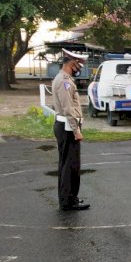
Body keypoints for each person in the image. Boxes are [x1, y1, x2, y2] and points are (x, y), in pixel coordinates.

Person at [52, 49, 90, 211]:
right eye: (78, 64)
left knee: (68, 163)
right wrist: (76, 130)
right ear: (71, 63)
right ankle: (68, 201)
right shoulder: (64, 81)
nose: (79, 68)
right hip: (68, 128)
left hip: (66, 126)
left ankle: (69, 198)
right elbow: (68, 108)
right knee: (70, 165)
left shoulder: (63, 79)